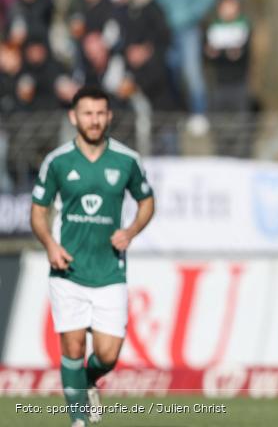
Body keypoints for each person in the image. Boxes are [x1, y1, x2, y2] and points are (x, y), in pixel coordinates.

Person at [30, 86, 155, 427]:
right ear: (74, 117)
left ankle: (87, 381)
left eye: (100, 113)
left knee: (107, 355)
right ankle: (79, 421)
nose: (94, 120)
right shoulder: (57, 162)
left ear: (109, 116)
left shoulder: (127, 160)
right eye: (87, 113)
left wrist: (129, 231)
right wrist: (50, 246)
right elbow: (38, 212)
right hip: (67, 269)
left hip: (109, 271)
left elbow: (147, 202)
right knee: (72, 347)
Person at [154, 0, 218, 131]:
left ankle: (199, 113)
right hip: (167, 31)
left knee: (192, 72)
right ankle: (179, 112)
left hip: (188, 29)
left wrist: (191, 14)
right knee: (171, 72)